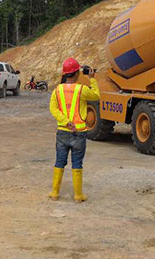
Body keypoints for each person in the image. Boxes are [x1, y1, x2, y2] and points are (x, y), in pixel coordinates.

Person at [48, 57, 100, 202]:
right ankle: (78, 195)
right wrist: (92, 79)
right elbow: (96, 96)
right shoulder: (81, 90)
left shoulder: (57, 90)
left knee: (60, 161)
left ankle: (54, 193)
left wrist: (65, 121)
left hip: (63, 131)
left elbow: (53, 108)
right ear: (77, 73)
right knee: (77, 163)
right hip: (79, 133)